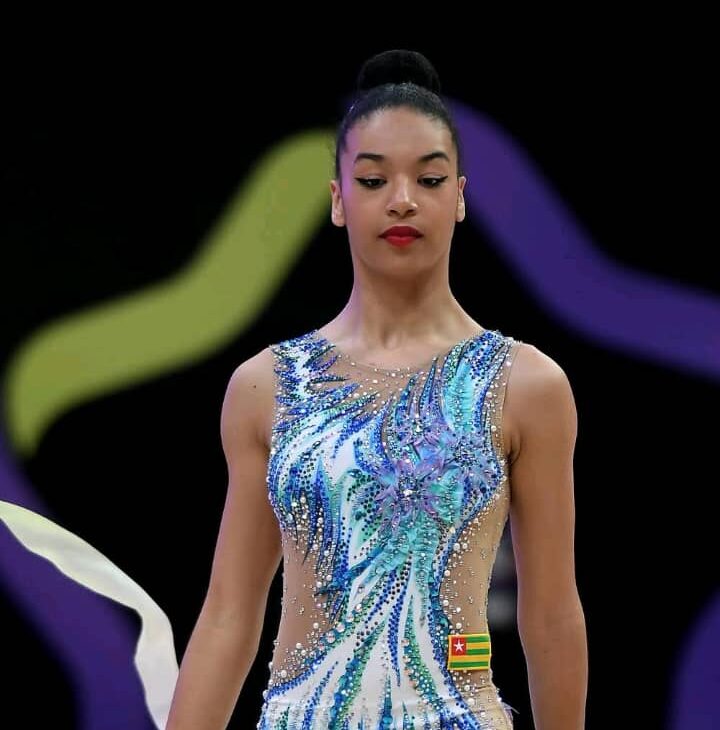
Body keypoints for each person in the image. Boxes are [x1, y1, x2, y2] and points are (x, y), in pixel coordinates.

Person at [165, 49, 588, 730]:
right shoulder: (266, 386)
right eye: (372, 179)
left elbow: (551, 614)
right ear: (338, 200)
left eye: (429, 178)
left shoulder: (526, 385)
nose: (402, 199)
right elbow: (228, 614)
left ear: (460, 197)